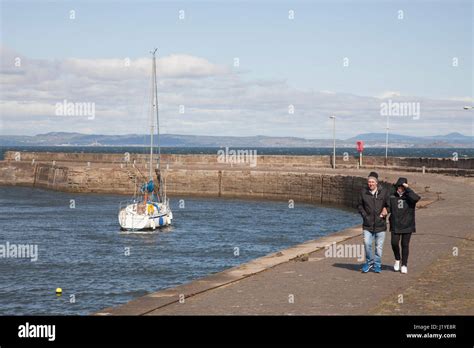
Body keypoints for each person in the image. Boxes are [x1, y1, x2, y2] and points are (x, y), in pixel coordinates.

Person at [357, 171, 389, 273]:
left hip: (380, 224)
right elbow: (359, 205)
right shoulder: (363, 192)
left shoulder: (384, 192)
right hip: (367, 224)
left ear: (376, 183)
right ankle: (369, 262)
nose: (370, 184)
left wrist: (386, 210)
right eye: (369, 182)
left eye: (372, 182)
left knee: (378, 248)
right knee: (367, 243)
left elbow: (389, 205)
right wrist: (365, 216)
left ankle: (377, 264)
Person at [388, 177, 420, 274]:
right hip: (395, 224)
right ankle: (397, 259)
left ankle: (404, 264)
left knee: (405, 245)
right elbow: (387, 205)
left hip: (407, 224)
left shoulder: (409, 196)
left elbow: (416, 198)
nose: (400, 188)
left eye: (402, 186)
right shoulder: (392, 196)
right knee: (394, 243)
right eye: (399, 186)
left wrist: (408, 188)